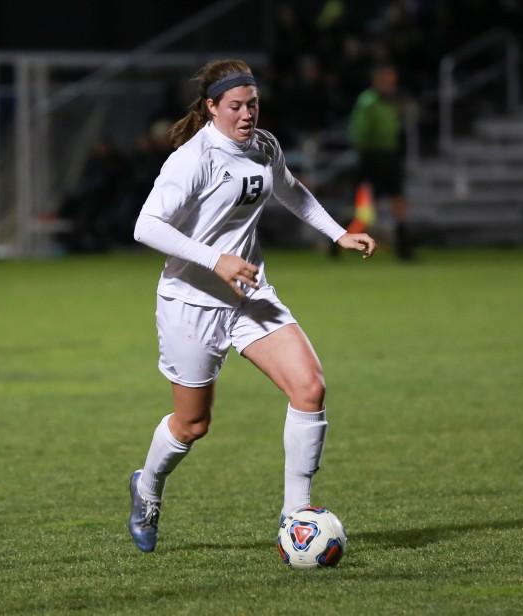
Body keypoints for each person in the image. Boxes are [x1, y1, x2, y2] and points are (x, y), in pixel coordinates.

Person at [128, 58, 376, 553]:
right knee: (193, 425)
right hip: (191, 303)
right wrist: (214, 259)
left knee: (309, 387)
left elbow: (291, 191)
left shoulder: (263, 146)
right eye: (236, 106)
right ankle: (147, 486)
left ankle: (295, 516)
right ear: (212, 107)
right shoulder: (192, 159)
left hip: (249, 294)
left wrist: (338, 234)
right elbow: (146, 226)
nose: (247, 114)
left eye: (253, 104)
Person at [348, 63, 414, 260]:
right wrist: (364, 154)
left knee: (398, 201)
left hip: (390, 156)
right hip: (371, 157)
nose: (390, 83)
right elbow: (359, 133)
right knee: (366, 209)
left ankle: (404, 248)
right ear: (377, 80)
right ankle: (339, 241)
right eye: (386, 79)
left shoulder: (392, 101)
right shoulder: (368, 102)